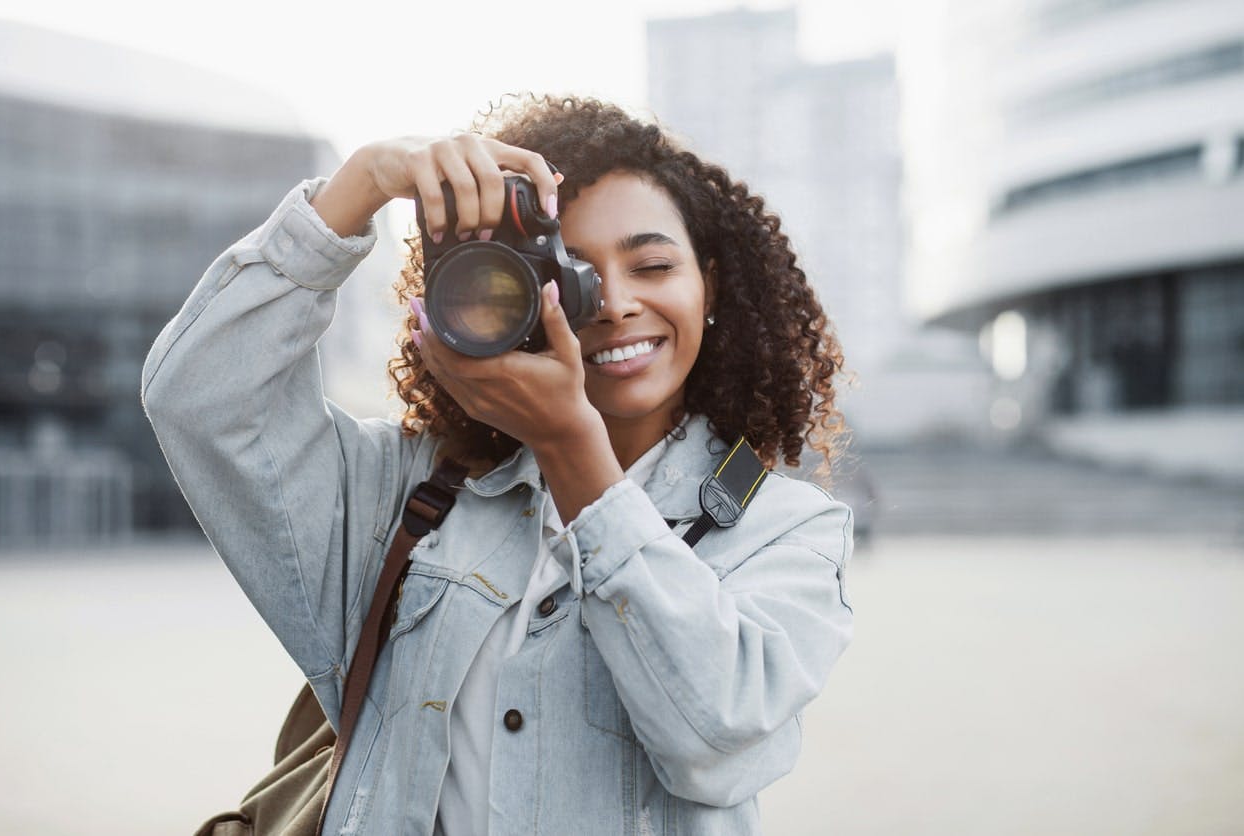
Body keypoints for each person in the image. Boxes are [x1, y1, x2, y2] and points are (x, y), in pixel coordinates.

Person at [143, 94, 854, 835]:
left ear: (708, 285)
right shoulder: (408, 497)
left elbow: (716, 740)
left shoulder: (787, 531)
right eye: (571, 271)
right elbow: (200, 399)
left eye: (651, 265)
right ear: (499, 292)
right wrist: (361, 186)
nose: (612, 303)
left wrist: (574, 452)